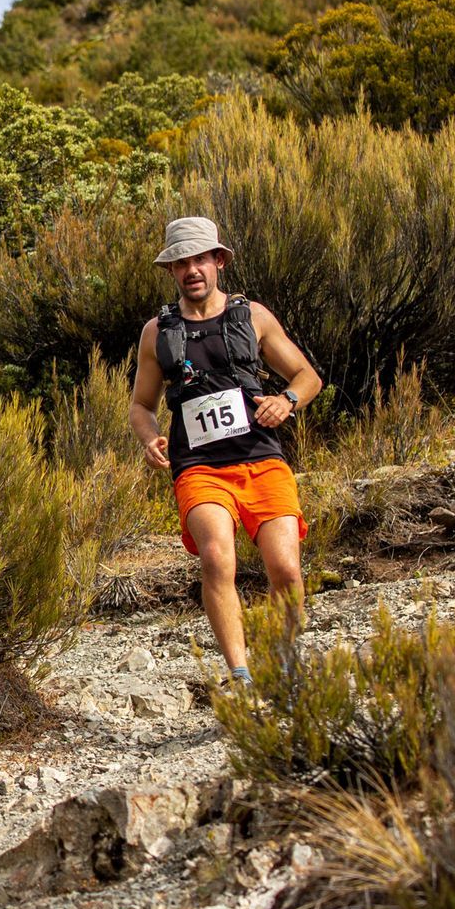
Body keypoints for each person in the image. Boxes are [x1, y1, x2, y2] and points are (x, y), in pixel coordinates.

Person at [128, 216, 322, 686]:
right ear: (172, 271)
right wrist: (149, 437)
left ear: (218, 261)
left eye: (199, 259)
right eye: (181, 263)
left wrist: (286, 400)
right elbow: (140, 405)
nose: (191, 269)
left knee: (287, 569)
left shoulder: (251, 316)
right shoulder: (158, 332)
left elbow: (307, 377)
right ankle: (241, 676)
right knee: (217, 557)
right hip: (199, 468)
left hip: (261, 458)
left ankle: (285, 665)